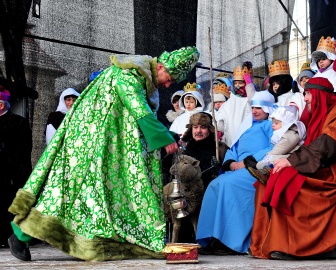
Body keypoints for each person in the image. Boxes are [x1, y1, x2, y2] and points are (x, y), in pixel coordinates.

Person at [7, 46, 199, 261]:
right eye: (170, 78)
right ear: (161, 66)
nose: (168, 84)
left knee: (100, 195)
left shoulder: (140, 78)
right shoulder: (128, 74)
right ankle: (20, 234)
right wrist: (164, 139)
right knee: (68, 190)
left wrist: (166, 135)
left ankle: (99, 243)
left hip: (105, 147)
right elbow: (137, 108)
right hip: (88, 146)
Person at [249, 77, 336, 260]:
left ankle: (293, 246)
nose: (305, 99)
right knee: (271, 179)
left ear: (318, 94)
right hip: (325, 167)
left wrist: (292, 161)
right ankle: (269, 242)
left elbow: (326, 146)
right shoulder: (326, 112)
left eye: (307, 94)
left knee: (285, 181)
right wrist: (288, 161)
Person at [196, 91, 275, 254]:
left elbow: (274, 148)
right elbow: (234, 147)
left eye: (259, 107)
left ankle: (229, 242)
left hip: (258, 167)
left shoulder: (271, 125)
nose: (255, 111)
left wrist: (246, 163)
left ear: (268, 109)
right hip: (239, 168)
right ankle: (212, 237)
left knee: (228, 184)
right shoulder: (246, 126)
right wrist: (231, 163)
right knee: (214, 185)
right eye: (253, 107)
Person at [0, 86, 32, 248]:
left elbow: (25, 150)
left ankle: (10, 237)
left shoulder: (19, 122)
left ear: (1, 105)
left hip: (11, 172)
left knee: (9, 205)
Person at [246, 106, 306, 184]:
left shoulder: (291, 134)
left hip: (292, 156)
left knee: (273, 160)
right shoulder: (284, 133)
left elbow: (282, 147)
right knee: (261, 164)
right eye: (273, 123)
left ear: (286, 123)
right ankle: (264, 172)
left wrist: (270, 155)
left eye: (276, 123)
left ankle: (264, 173)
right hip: (285, 154)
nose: (273, 125)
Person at [179, 112, 229, 188]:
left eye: (203, 127)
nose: (198, 131)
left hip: (215, 189)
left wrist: (220, 170)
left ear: (210, 129)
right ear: (191, 129)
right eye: (195, 127)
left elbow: (230, 173)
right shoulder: (183, 149)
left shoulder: (220, 148)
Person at [215, 62, 256, 147]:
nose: (237, 86)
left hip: (248, 140)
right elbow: (222, 117)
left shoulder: (251, 98)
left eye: (241, 83)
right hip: (230, 141)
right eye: (235, 83)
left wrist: (249, 85)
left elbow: (253, 101)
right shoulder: (230, 101)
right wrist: (219, 131)